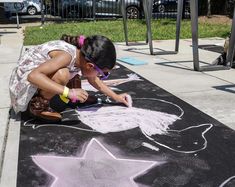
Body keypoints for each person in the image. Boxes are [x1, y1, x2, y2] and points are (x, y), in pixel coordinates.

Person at [9, 34, 130, 122]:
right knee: (63, 74)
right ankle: (38, 107)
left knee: (73, 72)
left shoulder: (81, 56)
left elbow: (94, 80)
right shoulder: (66, 56)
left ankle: (74, 99)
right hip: (24, 86)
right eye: (103, 74)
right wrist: (69, 92)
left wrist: (116, 97)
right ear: (90, 66)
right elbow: (33, 76)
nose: (101, 77)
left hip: (38, 77)